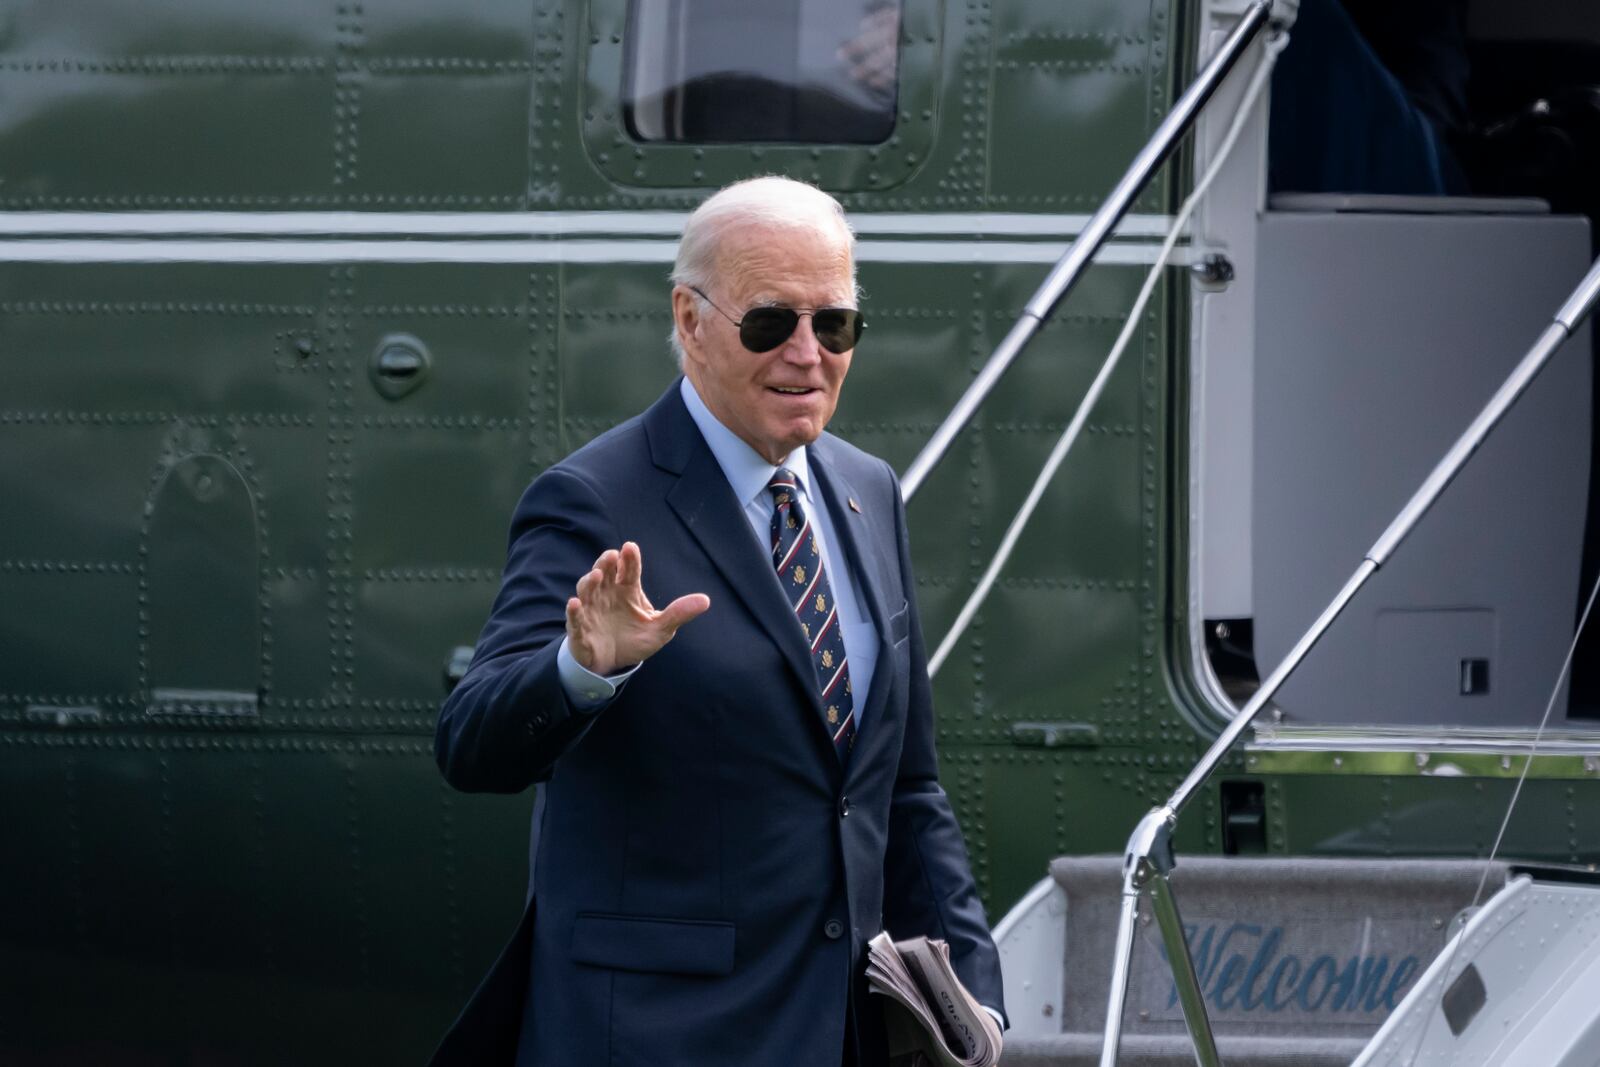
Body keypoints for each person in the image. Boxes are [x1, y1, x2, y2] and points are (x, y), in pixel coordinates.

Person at [431, 176, 1006, 1066]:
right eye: (772, 322)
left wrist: (973, 995)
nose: (808, 354)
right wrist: (584, 672)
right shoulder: (594, 500)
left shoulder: (867, 491)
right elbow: (471, 742)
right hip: (660, 1035)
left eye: (837, 324)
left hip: (841, 1035)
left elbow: (903, 789)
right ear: (691, 321)